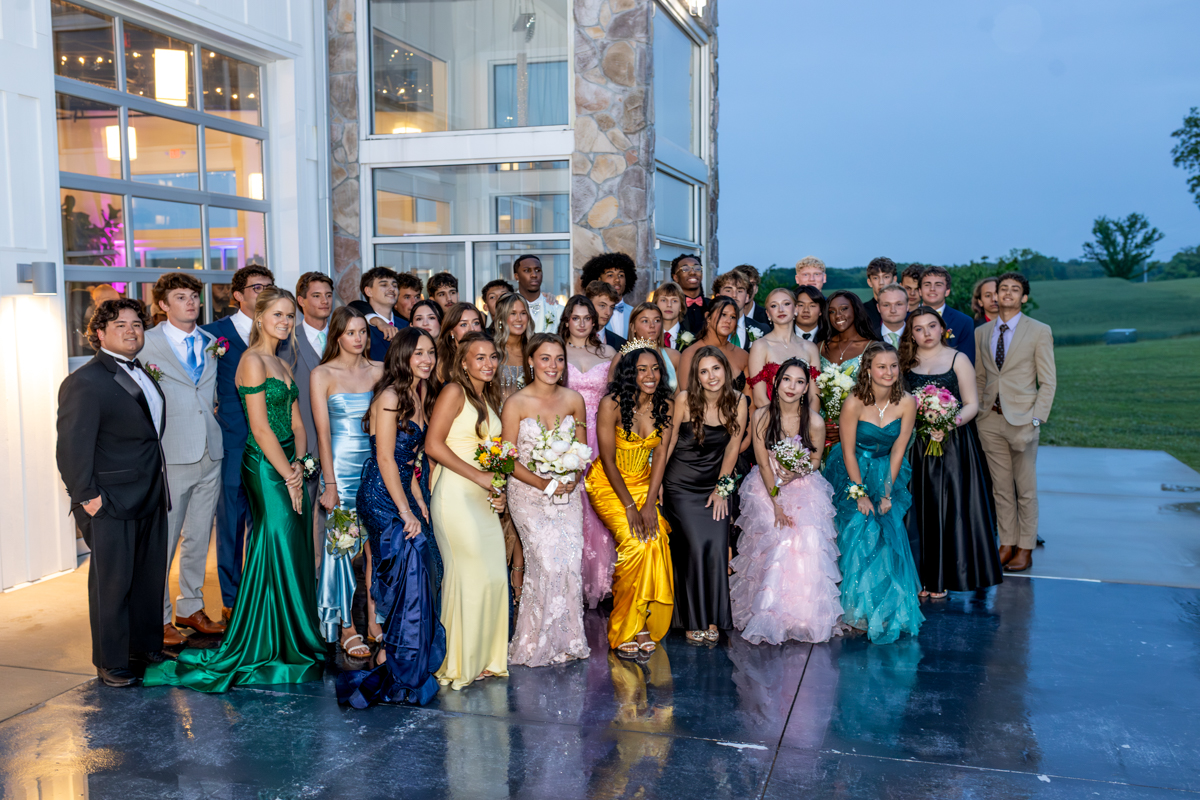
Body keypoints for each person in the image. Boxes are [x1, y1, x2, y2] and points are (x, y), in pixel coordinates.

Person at [146, 287, 326, 691]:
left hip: (288, 461)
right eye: (277, 314)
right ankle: (265, 640)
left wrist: (299, 463)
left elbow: (297, 423)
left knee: (295, 544)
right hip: (263, 465)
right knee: (274, 539)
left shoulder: (282, 360)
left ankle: (293, 635)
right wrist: (288, 475)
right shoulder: (251, 361)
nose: (285, 322)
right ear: (259, 317)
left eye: (289, 316)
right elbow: (259, 427)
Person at [57, 299, 169, 687]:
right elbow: (72, 447)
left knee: (148, 576)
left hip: (151, 493)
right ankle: (111, 661)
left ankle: (144, 646)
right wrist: (88, 496)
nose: (131, 330)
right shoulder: (84, 382)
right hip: (111, 499)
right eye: (120, 324)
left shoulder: (144, 373)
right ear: (99, 333)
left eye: (137, 324)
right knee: (112, 584)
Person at [338, 327, 445, 708]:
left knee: (423, 565)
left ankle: (395, 655)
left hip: (400, 488)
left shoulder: (419, 394)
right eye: (418, 353)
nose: (426, 359)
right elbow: (385, 457)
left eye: (430, 353)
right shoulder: (389, 395)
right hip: (379, 494)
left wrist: (420, 502)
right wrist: (405, 511)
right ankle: (390, 656)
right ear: (402, 355)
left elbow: (409, 461)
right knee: (406, 568)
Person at [731, 358, 843, 645]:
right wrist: (777, 503)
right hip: (766, 486)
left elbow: (816, 461)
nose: (792, 387)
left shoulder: (814, 421)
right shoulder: (762, 416)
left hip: (803, 484)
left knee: (805, 537)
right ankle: (768, 612)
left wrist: (798, 471)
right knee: (777, 534)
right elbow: (762, 462)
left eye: (799, 382)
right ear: (776, 383)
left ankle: (801, 615)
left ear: (806, 388)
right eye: (787, 380)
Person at [141, 274, 226, 647]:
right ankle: (157, 618)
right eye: (180, 297)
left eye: (194, 296)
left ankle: (190, 605)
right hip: (172, 454)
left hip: (211, 451)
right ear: (163, 304)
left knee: (198, 539)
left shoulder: (210, 342)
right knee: (166, 540)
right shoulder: (146, 344)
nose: (191, 303)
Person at [823, 342, 923, 644]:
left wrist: (887, 492)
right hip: (851, 469)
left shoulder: (907, 402)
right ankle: (852, 609)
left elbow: (898, 451)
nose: (888, 372)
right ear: (868, 369)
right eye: (881, 366)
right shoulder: (854, 402)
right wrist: (860, 493)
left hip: (885, 470)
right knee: (857, 529)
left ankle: (882, 606)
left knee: (887, 531)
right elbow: (849, 451)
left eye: (893, 366)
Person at [425, 333, 510, 688]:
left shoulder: (487, 396)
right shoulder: (453, 391)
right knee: (467, 576)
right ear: (463, 361)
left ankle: (486, 658)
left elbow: (495, 455)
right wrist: (479, 476)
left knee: (492, 576)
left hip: (483, 496)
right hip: (457, 495)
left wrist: (499, 489)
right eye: (479, 358)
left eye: (492, 357)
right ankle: (458, 661)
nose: (488, 364)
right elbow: (432, 444)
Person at [900, 307, 1002, 597]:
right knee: (916, 509)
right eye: (918, 329)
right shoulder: (905, 362)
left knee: (949, 506)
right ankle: (918, 575)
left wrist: (948, 422)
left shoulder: (959, 359)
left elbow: (971, 403)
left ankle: (943, 577)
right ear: (912, 334)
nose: (926, 333)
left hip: (952, 444)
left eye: (931, 326)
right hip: (916, 446)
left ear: (942, 328)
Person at [502, 334, 591, 666]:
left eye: (559, 359)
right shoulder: (516, 403)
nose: (553, 366)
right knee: (546, 563)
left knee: (569, 564)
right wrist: (545, 483)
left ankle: (567, 639)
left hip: (567, 495)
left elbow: (582, 452)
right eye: (545, 358)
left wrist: (571, 478)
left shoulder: (574, 399)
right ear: (530, 361)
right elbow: (504, 460)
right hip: (529, 495)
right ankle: (533, 641)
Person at [202, 264, 282, 620]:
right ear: (238, 295)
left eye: (268, 286)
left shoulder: (279, 333)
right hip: (234, 441)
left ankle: (265, 595)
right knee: (232, 525)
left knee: (267, 523)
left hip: (273, 445)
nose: (262, 292)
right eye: (255, 287)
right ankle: (233, 601)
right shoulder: (212, 336)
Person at [588, 344, 676, 655]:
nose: (650, 375)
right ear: (630, 373)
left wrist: (650, 502)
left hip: (643, 482)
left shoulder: (667, 403)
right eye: (642, 369)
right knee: (635, 544)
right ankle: (624, 626)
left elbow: (662, 454)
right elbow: (608, 461)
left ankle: (642, 623)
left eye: (655, 369)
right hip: (608, 484)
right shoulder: (611, 404)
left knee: (655, 542)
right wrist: (630, 507)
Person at [661, 346, 747, 642]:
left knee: (715, 544)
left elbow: (733, 449)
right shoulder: (685, 399)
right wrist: (657, 483)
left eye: (716, 369)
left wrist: (722, 490)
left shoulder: (739, 401)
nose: (711, 376)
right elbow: (668, 442)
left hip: (713, 485)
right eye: (704, 371)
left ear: (726, 369)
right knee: (695, 546)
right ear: (696, 376)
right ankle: (692, 619)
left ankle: (711, 617)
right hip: (680, 485)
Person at [974, 272, 1056, 573]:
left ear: (1024, 297)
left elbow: (1048, 382)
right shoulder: (982, 333)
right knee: (1000, 489)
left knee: (1025, 488)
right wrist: (982, 412)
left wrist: (1036, 419)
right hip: (990, 420)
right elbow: (981, 376)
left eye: (1015, 290)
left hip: (1023, 421)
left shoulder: (1038, 331)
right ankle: (1006, 543)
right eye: (1002, 289)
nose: (1006, 293)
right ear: (995, 296)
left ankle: (1025, 547)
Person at [311, 307, 380, 658]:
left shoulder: (380, 371)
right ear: (337, 335)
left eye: (363, 332)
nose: (358, 338)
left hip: (375, 468)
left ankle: (374, 618)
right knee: (341, 549)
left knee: (375, 549)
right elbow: (323, 433)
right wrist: (330, 484)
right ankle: (346, 627)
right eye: (351, 332)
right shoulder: (322, 374)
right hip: (340, 467)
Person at [558, 295, 618, 608]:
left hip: (602, 435)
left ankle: (601, 581)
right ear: (566, 320)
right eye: (575, 317)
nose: (581, 323)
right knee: (572, 506)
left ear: (594, 322)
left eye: (587, 318)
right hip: (566, 437)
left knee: (600, 508)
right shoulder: (556, 353)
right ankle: (570, 580)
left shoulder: (609, 353)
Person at [294, 272, 335, 551]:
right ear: (301, 300)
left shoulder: (344, 336)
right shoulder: (287, 340)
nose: (324, 301)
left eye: (328, 295)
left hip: (339, 442)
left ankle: (333, 585)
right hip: (304, 444)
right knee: (302, 521)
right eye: (316, 295)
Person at [819, 290, 880, 448]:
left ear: (856, 309)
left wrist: (847, 428)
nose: (838, 315)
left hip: (859, 429)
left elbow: (879, 395)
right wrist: (819, 425)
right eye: (832, 311)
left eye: (844, 308)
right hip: (821, 430)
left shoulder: (872, 348)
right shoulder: (819, 348)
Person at [747, 287, 821, 408]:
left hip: (805, 422)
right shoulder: (760, 346)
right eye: (774, 306)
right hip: (772, 421)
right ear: (768, 314)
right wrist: (782, 422)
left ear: (796, 309)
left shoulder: (811, 348)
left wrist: (805, 423)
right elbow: (760, 398)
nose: (781, 309)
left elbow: (814, 398)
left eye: (786, 304)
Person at [678, 295, 749, 394]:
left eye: (733, 317)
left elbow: (751, 402)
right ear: (708, 317)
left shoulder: (743, 356)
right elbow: (686, 399)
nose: (728, 321)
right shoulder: (690, 354)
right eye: (723, 314)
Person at [607, 302, 681, 393]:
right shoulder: (620, 358)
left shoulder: (674, 356)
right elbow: (613, 395)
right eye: (645, 321)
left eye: (657, 320)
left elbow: (680, 395)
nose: (652, 325)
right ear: (633, 327)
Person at [918, 265, 975, 364]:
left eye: (938, 285)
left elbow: (967, 362)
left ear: (947, 291)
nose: (932, 289)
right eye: (927, 284)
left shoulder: (964, 322)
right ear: (920, 291)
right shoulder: (907, 318)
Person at [582, 252, 639, 338]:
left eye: (621, 275)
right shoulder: (587, 313)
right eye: (610, 275)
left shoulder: (635, 313)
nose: (617, 280)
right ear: (599, 279)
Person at [354, 266, 404, 361]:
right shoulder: (361, 327)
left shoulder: (406, 325)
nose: (392, 289)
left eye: (395, 285)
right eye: (384, 285)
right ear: (369, 291)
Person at [713, 271, 769, 350]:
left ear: (747, 297)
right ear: (718, 297)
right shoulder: (708, 329)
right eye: (728, 290)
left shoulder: (763, 330)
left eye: (740, 291)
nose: (734, 295)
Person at [494, 293, 532, 403]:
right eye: (513, 313)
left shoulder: (534, 350)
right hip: (497, 417)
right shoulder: (491, 351)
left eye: (523, 313)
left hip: (530, 416)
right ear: (501, 318)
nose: (519, 319)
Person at [435, 302, 485, 384]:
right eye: (464, 324)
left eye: (476, 323)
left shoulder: (490, 357)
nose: (472, 329)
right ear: (451, 331)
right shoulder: (440, 362)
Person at [513, 254, 562, 334]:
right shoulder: (506, 306)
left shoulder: (557, 309)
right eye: (527, 270)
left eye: (538, 270)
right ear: (517, 276)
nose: (534, 275)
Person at [584, 279, 627, 350]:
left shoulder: (621, 344)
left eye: (612, 307)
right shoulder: (569, 339)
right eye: (602, 306)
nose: (608, 313)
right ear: (588, 305)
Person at [670, 254, 708, 335]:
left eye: (697, 268)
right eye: (685, 269)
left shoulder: (713, 305)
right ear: (675, 277)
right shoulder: (670, 307)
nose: (692, 272)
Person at [862, 257, 898, 330]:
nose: (881, 283)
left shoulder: (902, 308)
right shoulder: (861, 312)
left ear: (894, 280)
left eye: (886, 277)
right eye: (876, 278)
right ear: (869, 282)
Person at [653, 280, 686, 350]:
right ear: (655, 304)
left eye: (674, 301)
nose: (669, 305)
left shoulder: (694, 341)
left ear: (681, 307)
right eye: (664, 300)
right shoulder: (647, 337)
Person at [877, 283, 909, 348]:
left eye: (899, 304)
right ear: (878, 308)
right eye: (886, 305)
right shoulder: (868, 339)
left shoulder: (918, 337)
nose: (893, 310)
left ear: (907, 306)